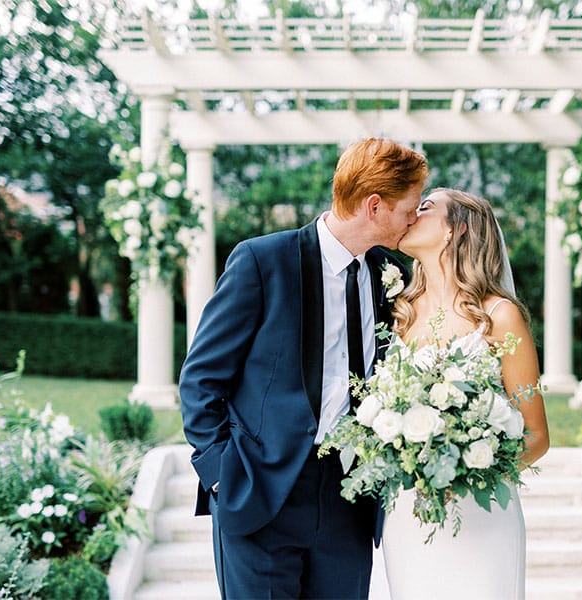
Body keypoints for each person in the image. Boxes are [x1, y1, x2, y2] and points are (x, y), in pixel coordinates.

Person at [179, 137, 429, 600]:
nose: (414, 220)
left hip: (349, 498)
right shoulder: (262, 261)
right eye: (410, 208)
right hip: (261, 493)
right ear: (374, 206)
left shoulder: (387, 276)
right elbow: (200, 379)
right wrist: (220, 474)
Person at [376, 188, 550, 600]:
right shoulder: (397, 315)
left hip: (480, 514)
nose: (411, 213)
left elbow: (538, 436)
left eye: (425, 207)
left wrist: (467, 475)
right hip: (408, 515)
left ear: (456, 229)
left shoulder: (499, 316)